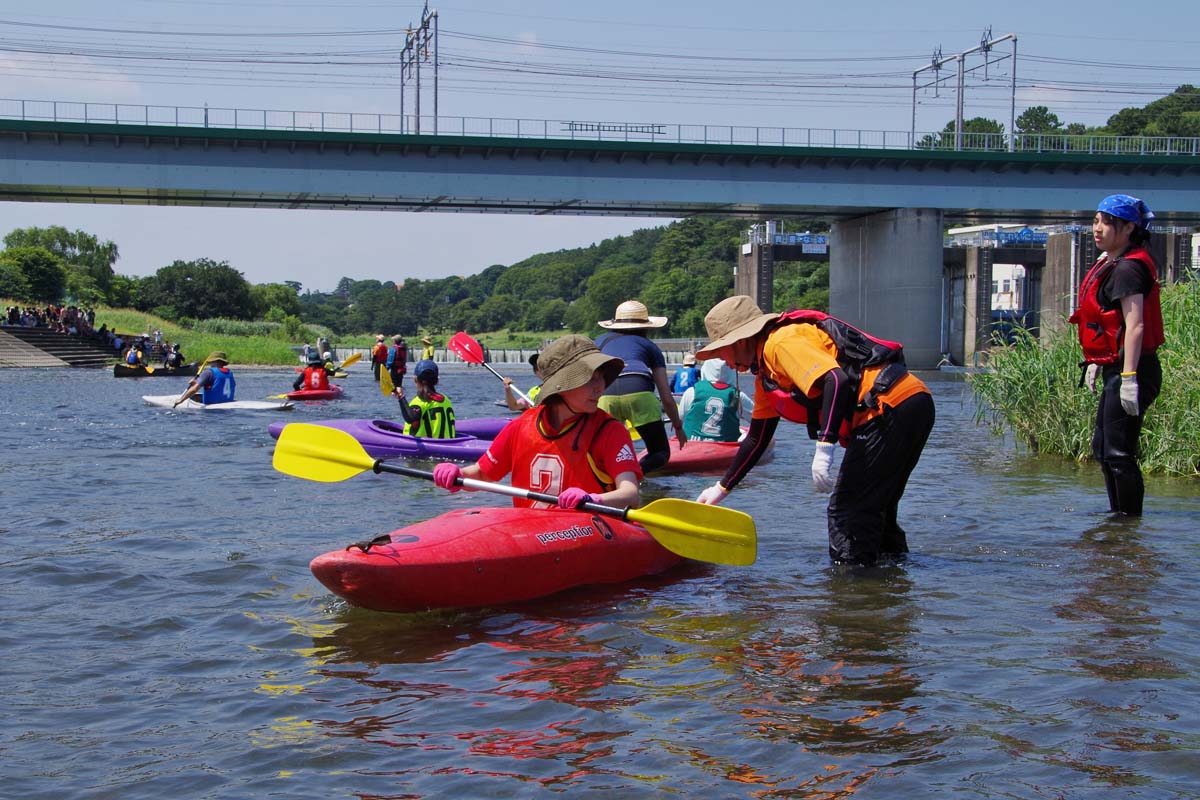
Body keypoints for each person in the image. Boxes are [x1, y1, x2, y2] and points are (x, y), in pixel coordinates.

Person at [693, 295, 935, 567]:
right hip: (910, 402)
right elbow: (756, 439)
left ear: (740, 341)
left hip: (889, 406)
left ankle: (851, 594)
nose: (722, 361)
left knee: (847, 511)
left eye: (721, 350)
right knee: (876, 506)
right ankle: (889, 588)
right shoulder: (766, 375)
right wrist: (722, 487)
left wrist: (824, 447)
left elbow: (835, 379)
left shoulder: (780, 343)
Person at [432, 335, 642, 511]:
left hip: (591, 534)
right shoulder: (521, 426)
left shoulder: (610, 431)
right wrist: (458, 475)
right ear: (563, 386)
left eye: (601, 377)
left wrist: (594, 499)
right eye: (590, 379)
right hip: (532, 537)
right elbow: (482, 474)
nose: (601, 387)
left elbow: (630, 494)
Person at [1070, 194, 1163, 516]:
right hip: (1116, 366)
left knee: (1119, 452)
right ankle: (1118, 519)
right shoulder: (1111, 263)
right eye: (1095, 221)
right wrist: (1100, 361)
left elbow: (1135, 326)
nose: (1097, 229)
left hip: (1134, 370)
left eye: (1106, 223)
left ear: (1127, 228)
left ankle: (1127, 523)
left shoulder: (1128, 269)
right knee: (1103, 449)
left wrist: (1128, 377)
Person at [594, 299, 686, 474]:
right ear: (646, 327)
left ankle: (611, 487)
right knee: (660, 452)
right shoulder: (650, 347)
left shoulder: (599, 343)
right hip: (640, 392)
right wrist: (678, 427)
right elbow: (666, 396)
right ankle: (636, 474)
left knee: (606, 453)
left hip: (605, 396)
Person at [678, 357, 753, 442]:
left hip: (692, 445)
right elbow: (758, 420)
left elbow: (679, 419)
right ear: (731, 371)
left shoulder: (692, 392)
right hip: (725, 447)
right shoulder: (737, 396)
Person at [393, 359, 456, 438]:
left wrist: (401, 397)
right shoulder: (446, 400)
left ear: (415, 380)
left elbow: (410, 418)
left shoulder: (419, 402)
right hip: (448, 444)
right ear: (437, 381)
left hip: (426, 447)